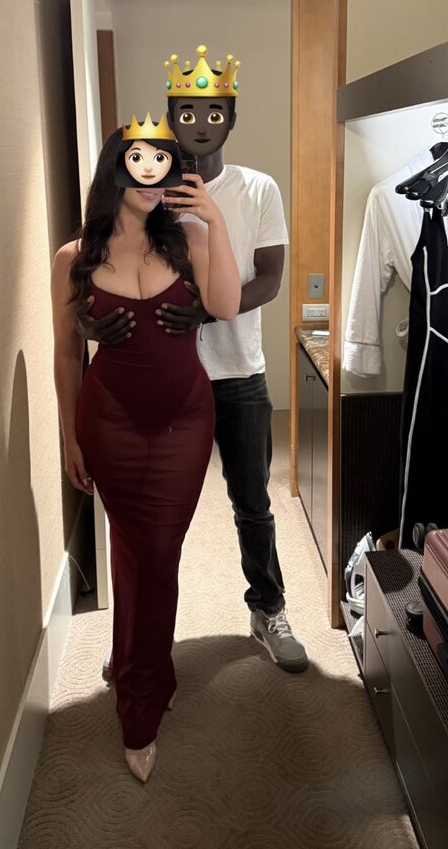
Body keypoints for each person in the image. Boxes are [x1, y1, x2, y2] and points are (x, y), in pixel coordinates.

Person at [78, 46, 309, 673]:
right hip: (156, 382)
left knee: (252, 500)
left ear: (231, 119)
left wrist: (204, 310)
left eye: (213, 113)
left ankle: (269, 608)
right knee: (145, 522)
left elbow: (270, 280)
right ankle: (140, 640)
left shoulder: (256, 189)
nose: (200, 124)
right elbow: (102, 265)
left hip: (236, 373)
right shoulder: (146, 186)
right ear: (169, 117)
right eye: (186, 112)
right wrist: (88, 323)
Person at [51, 116, 240, 783]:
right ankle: (141, 698)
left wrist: (215, 218)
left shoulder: (189, 239)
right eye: (142, 161)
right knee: (138, 554)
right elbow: (67, 353)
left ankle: (138, 671)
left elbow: (226, 304)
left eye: (165, 162)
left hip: (186, 421)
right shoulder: (74, 257)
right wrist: (70, 436)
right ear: (117, 169)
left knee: (158, 554)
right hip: (111, 425)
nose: (155, 175)